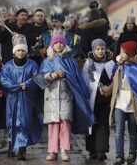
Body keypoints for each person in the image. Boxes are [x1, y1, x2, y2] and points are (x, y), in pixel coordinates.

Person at [39, 34, 95, 162]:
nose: (58, 45)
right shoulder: (46, 61)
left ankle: (65, 150)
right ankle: (52, 151)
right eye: (56, 43)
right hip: (51, 98)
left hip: (66, 97)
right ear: (52, 45)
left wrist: (66, 76)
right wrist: (52, 75)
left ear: (64, 45)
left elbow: (77, 79)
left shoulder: (70, 61)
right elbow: (40, 80)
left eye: (61, 43)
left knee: (65, 124)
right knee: (53, 125)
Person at [1, 34, 43, 161]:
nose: (20, 52)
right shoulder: (8, 65)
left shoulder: (32, 64)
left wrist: (28, 84)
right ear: (14, 52)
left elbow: (39, 79)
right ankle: (11, 146)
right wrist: (16, 85)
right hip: (12, 99)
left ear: (26, 51)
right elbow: (3, 80)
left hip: (26, 99)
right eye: (18, 50)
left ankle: (22, 150)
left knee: (24, 123)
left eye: (23, 50)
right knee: (11, 123)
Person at [81, 39, 115, 161]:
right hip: (92, 98)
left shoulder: (110, 64)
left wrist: (108, 89)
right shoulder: (89, 64)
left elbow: (114, 81)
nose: (100, 51)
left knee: (103, 124)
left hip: (105, 99)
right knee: (92, 123)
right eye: (98, 49)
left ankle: (101, 150)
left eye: (102, 49)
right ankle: (92, 150)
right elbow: (87, 80)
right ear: (93, 50)